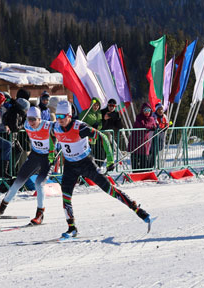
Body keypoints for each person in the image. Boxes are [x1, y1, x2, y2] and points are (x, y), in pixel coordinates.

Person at [53, 100, 152, 238]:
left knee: (109, 189)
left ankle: (138, 210)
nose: (59, 119)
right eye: (57, 116)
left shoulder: (80, 127)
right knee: (66, 195)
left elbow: (103, 137)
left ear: (69, 115)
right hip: (70, 165)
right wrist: (51, 155)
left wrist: (110, 159)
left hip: (86, 163)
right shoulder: (55, 127)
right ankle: (71, 228)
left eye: (62, 116)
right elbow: (49, 136)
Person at [0, 106, 56, 223]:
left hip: (48, 157)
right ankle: (1, 208)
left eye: (33, 119)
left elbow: (65, 130)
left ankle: (40, 214)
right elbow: (15, 126)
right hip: (35, 155)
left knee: (39, 183)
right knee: (18, 182)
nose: (31, 122)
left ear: (39, 118)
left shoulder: (49, 126)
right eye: (29, 119)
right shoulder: (27, 125)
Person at [129, 103, 158, 170]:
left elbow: (155, 125)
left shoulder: (151, 118)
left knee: (144, 157)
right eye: (145, 110)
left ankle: (143, 171)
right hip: (136, 141)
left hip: (145, 141)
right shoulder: (139, 117)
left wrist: (156, 127)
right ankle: (136, 171)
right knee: (135, 157)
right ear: (142, 110)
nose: (147, 112)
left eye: (148, 110)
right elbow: (143, 125)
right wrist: (151, 127)